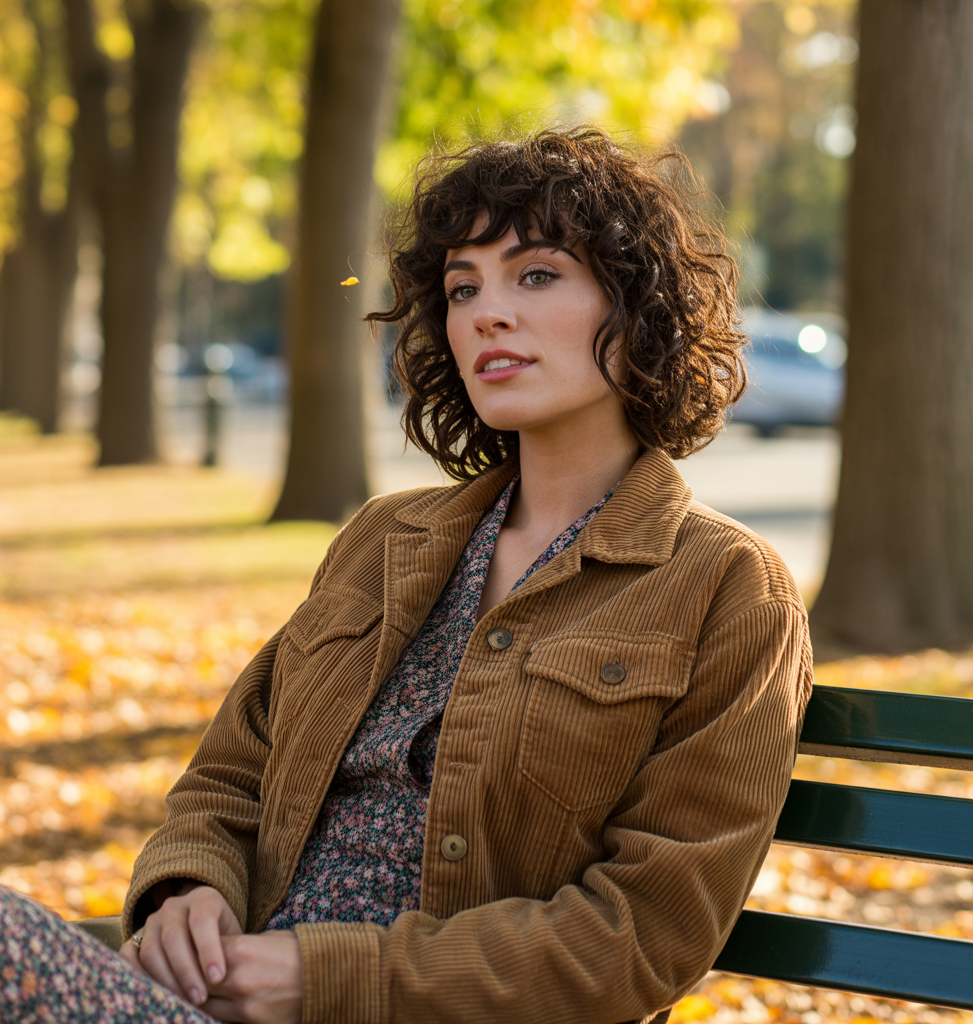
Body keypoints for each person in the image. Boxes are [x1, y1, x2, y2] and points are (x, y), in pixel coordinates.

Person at [0, 125, 812, 1024]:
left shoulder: (727, 588)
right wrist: (187, 891)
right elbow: (230, 777)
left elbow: (645, 934)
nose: (486, 314)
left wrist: (325, 979)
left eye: (536, 275)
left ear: (639, 302)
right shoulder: (387, 540)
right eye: (463, 289)